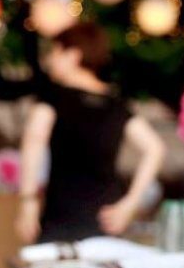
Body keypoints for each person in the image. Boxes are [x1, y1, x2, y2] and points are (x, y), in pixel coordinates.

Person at [16, 22, 166, 244]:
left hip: (62, 218)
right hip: (108, 219)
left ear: (73, 55)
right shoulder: (115, 103)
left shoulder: (54, 96)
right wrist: (130, 203)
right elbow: (155, 149)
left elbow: (34, 140)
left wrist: (27, 202)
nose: (50, 60)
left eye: (55, 52)